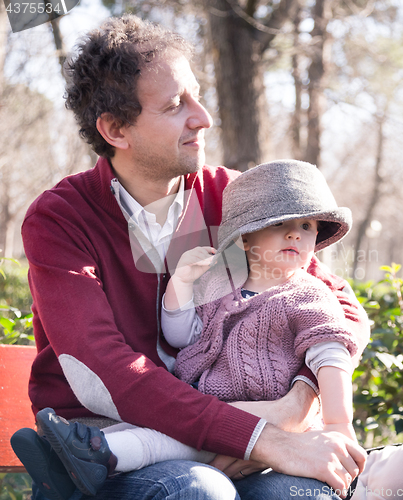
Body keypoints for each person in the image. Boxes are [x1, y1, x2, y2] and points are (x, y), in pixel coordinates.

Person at [10, 13, 370, 500]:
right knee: (199, 491)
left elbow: (339, 306)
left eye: (197, 95)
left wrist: (293, 405)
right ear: (116, 129)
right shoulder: (61, 219)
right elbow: (104, 373)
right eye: (177, 105)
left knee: (301, 495)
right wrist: (255, 435)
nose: (203, 117)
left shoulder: (233, 196)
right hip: (107, 441)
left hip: (243, 418)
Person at [26, 160, 362, 499]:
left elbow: (334, 346)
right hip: (196, 409)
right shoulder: (221, 284)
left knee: (164, 445)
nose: (295, 234)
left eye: (306, 226)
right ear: (244, 239)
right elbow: (182, 336)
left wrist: (333, 422)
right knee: (162, 444)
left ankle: (87, 457)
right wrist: (182, 283)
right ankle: (81, 454)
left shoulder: (307, 292)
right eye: (280, 225)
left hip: (257, 416)